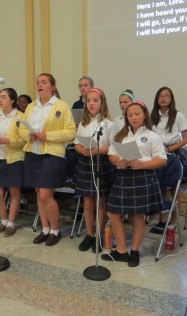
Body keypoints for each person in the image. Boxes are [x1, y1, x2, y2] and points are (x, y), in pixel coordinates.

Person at [101, 101, 166, 267]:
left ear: (144, 115)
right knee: (113, 213)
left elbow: (161, 159)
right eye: (130, 115)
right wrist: (118, 162)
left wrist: (143, 164)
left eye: (137, 114)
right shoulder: (121, 136)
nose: (134, 117)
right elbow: (111, 154)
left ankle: (135, 251)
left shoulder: (152, 136)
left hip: (143, 177)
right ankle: (121, 251)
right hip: (123, 176)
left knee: (137, 216)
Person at [18, 73, 76, 246]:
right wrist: (29, 135)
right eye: (37, 82)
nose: (39, 85)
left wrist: (47, 135)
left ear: (52, 86)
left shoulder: (61, 106)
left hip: (51, 155)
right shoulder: (30, 107)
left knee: (45, 195)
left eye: (44, 82)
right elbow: (20, 129)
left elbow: (71, 132)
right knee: (38, 194)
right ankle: (44, 229)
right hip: (32, 153)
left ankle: (55, 230)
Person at [73, 88, 114, 252]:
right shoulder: (83, 123)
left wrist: (98, 150)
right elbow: (76, 142)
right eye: (88, 100)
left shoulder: (109, 124)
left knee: (100, 201)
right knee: (87, 202)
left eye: (95, 100)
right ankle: (89, 234)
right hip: (85, 161)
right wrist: (80, 149)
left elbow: (112, 147)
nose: (91, 103)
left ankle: (99, 235)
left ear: (102, 103)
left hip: (101, 162)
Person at [150, 86, 187, 233]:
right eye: (160, 96)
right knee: (159, 186)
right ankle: (162, 220)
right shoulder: (153, 115)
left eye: (166, 96)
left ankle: (173, 221)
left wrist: (169, 149)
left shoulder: (178, 115)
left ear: (171, 98)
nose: (163, 98)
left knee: (174, 187)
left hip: (173, 152)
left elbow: (185, 139)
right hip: (157, 153)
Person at [0, 88, 26, 237]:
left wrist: (9, 141)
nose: (1, 100)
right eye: (0, 97)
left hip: (14, 158)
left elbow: (25, 140)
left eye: (4, 97)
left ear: (12, 101)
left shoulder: (21, 117)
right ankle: (3, 220)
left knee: (14, 191)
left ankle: (11, 223)